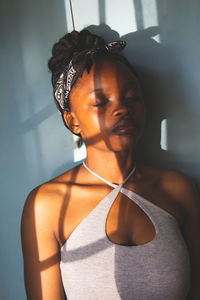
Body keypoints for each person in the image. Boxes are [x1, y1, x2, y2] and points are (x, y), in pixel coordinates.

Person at [21, 29, 200, 300]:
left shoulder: (178, 190)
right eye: (101, 102)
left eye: (132, 97)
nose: (122, 109)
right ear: (72, 121)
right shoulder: (47, 205)